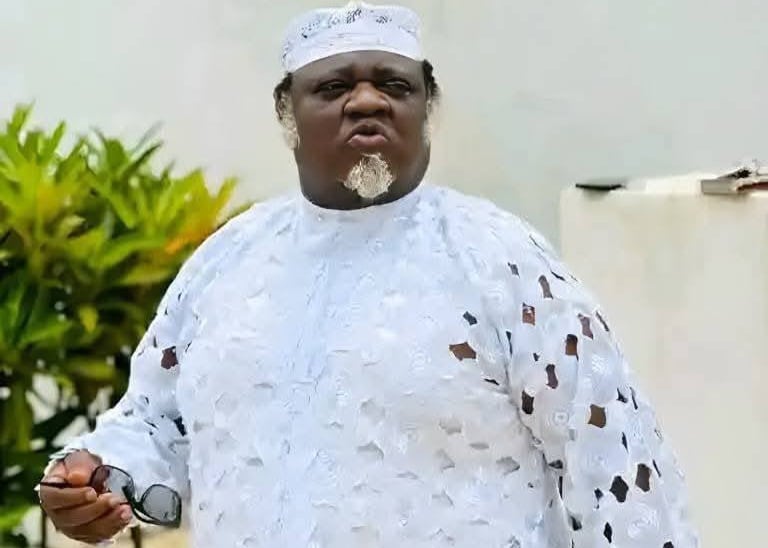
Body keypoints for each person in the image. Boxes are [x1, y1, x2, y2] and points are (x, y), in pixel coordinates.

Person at [38, 2, 698, 547]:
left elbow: (612, 463)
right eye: (333, 87)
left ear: (426, 107)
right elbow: (157, 422)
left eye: (394, 85)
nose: (366, 102)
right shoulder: (226, 264)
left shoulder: (504, 262)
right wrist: (98, 479)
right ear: (287, 114)